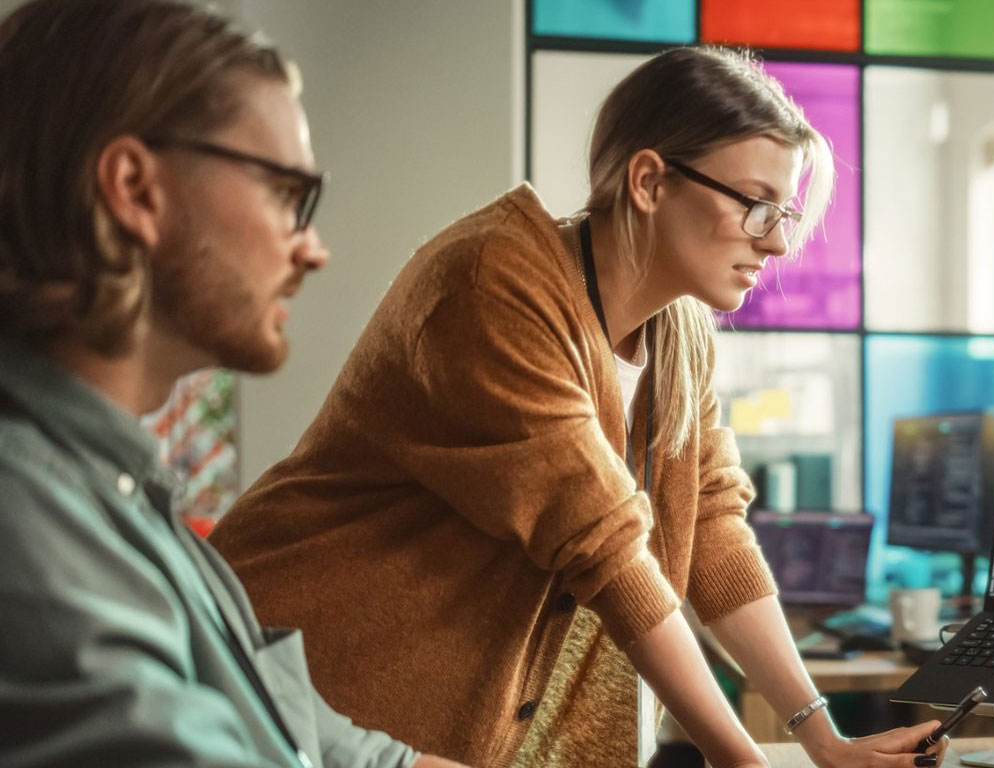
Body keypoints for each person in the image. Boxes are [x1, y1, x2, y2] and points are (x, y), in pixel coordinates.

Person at [207, 46, 945, 768]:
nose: (780, 243)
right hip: (304, 688)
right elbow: (603, 545)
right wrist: (741, 759)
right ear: (650, 181)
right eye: (757, 206)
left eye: (783, 213)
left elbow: (711, 525)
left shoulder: (679, 329)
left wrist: (824, 741)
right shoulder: (492, 285)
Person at [0, 2, 470, 767]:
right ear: (135, 188)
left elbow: (346, 756)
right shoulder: (27, 520)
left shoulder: (131, 506)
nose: (312, 249)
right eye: (288, 194)